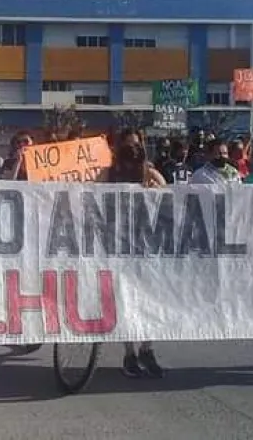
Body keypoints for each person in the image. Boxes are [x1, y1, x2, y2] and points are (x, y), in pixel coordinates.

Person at [100, 128, 167, 378]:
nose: (133, 151)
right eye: (128, 147)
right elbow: (91, 197)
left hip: (145, 247)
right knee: (125, 301)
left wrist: (156, 190)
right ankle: (129, 353)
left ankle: (147, 349)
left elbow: (171, 195)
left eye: (136, 146)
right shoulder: (108, 174)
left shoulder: (148, 172)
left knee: (149, 300)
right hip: (117, 248)